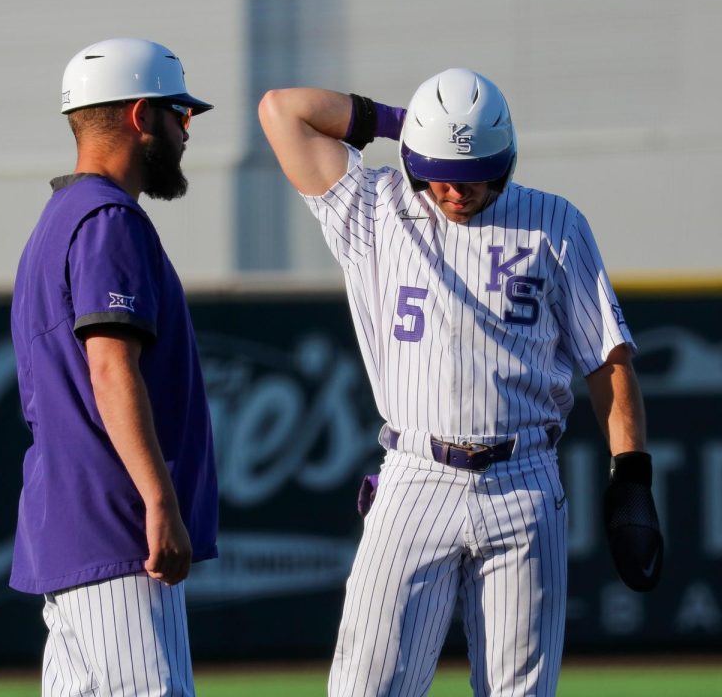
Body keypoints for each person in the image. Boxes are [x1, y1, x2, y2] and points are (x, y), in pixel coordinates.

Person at [259, 70, 663, 696]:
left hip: (523, 479)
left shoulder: (553, 223)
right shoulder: (377, 209)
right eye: (436, 170)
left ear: (505, 161)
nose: (451, 189)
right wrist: (410, 125)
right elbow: (282, 111)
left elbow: (607, 361)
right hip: (416, 476)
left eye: (469, 173)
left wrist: (631, 477)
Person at [10, 37, 219, 697]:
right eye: (179, 114)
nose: (187, 133)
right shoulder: (108, 220)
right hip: (115, 523)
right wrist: (159, 502)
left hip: (71, 526)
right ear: (139, 117)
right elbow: (110, 369)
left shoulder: (58, 220)